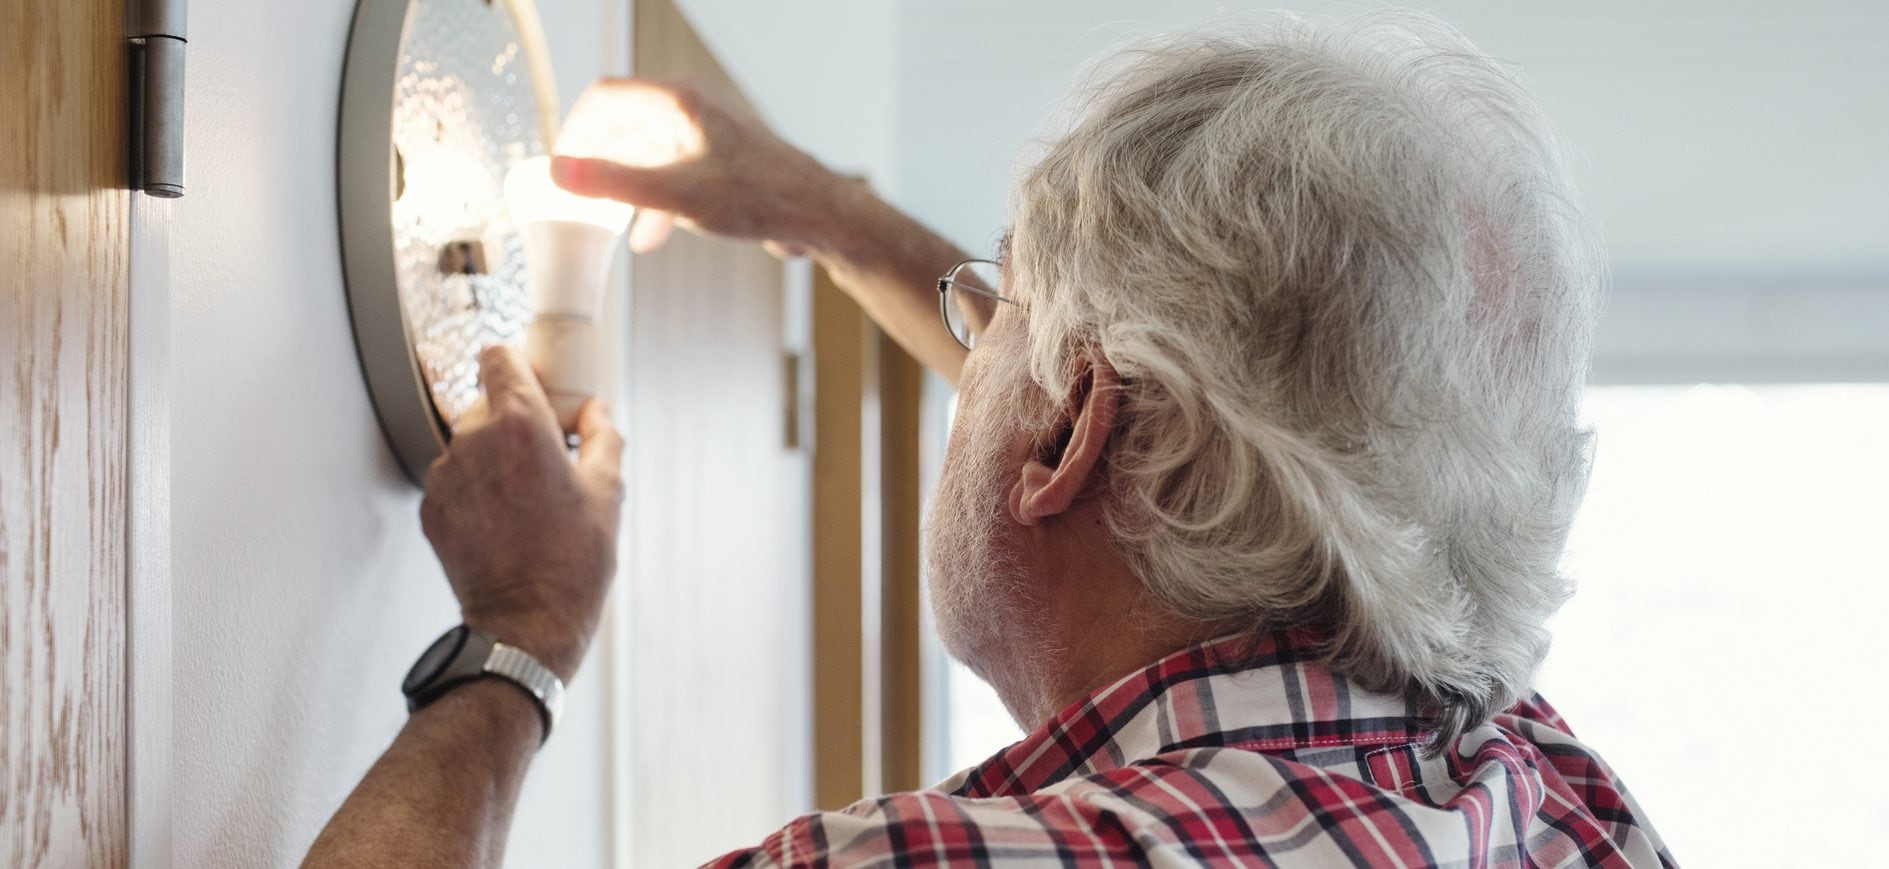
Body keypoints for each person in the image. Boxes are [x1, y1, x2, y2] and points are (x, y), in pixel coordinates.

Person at [305, 14, 1673, 868]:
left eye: (994, 309)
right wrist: (825, 212)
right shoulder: (1544, 797)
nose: (972, 350)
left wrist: (517, 633)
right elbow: (1197, 408)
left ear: (1072, 426)